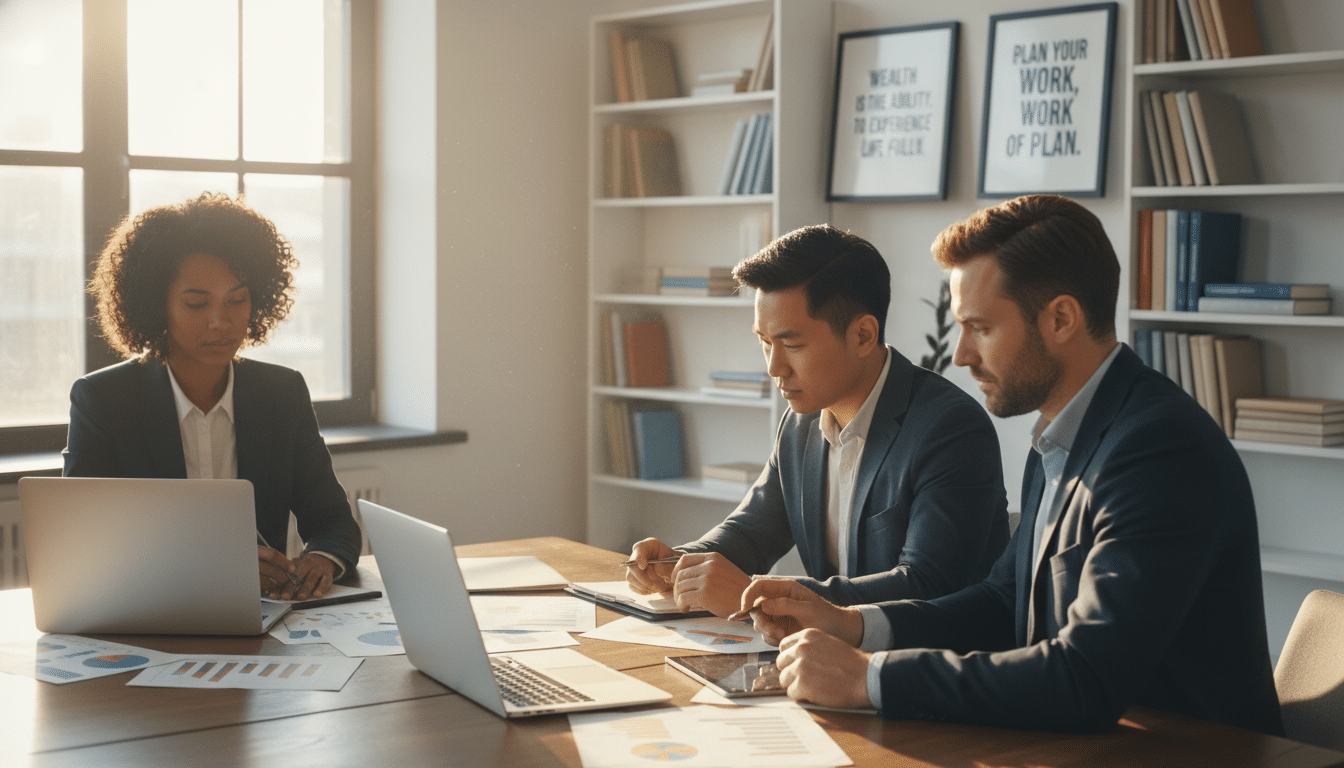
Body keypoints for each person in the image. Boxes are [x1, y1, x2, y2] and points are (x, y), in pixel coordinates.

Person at [737, 195, 1283, 736]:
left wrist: (870, 678)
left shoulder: (1159, 450)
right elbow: (1004, 602)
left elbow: (1085, 679)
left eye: (981, 328)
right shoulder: (1061, 434)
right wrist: (851, 624)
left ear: (1061, 319)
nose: (962, 356)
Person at [625, 224, 1010, 617]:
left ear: (862, 335)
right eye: (764, 342)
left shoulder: (950, 429)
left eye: (792, 344)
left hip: (917, 667)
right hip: (823, 661)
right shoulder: (803, 422)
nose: (775, 368)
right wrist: (679, 563)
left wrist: (761, 596)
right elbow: (751, 534)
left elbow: (926, 585)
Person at [63, 192, 363, 602]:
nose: (221, 322)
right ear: (157, 305)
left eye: (237, 300)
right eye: (196, 303)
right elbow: (82, 540)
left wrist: (322, 560)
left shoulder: (282, 393)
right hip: (152, 611)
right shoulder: (103, 400)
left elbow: (333, 521)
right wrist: (215, 567)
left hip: (263, 616)